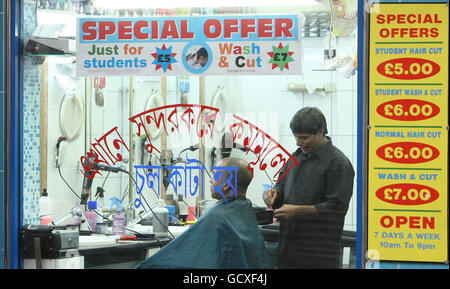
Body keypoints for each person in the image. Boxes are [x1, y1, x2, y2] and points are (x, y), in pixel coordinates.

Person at [135, 157, 270, 269]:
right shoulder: (246, 210)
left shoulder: (217, 217)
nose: (211, 180)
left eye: (215, 176)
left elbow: (180, 255)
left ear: (226, 185)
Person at [263, 107, 354, 269]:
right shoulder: (295, 157)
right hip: (288, 250)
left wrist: (297, 211)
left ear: (321, 132)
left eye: (304, 138)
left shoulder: (338, 164)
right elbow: (281, 185)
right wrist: (273, 194)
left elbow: (337, 208)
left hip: (318, 254)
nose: (298, 142)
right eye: (296, 137)